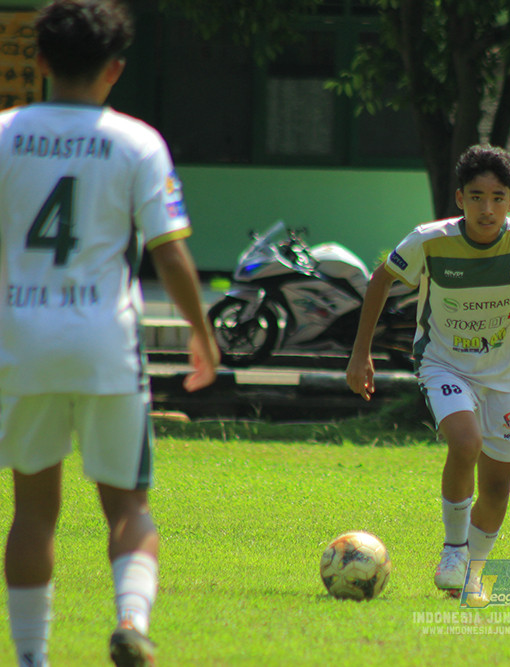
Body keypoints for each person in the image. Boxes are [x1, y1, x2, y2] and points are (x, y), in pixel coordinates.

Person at [0, 1, 220, 665]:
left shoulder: (5, 133)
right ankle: (130, 619)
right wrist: (203, 335)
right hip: (105, 344)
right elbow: (171, 254)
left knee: (33, 507)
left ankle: (33, 656)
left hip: (22, 343)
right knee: (128, 501)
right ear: (116, 69)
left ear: (39, 61)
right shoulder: (136, 141)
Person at [346, 145, 510, 596]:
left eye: (498, 197)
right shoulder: (430, 239)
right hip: (444, 363)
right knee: (465, 442)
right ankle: (453, 550)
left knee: (499, 484)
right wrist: (360, 353)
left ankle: (472, 575)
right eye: (477, 196)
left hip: (504, 374)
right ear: (460, 199)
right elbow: (382, 279)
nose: (487, 208)